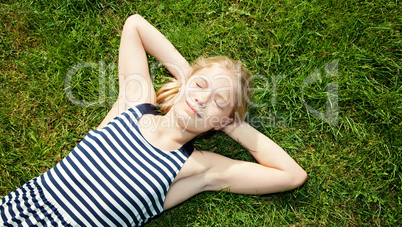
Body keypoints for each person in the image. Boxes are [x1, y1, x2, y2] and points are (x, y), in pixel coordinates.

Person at [0, 14, 307, 226]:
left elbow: (291, 175)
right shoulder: (133, 106)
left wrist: (231, 122)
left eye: (219, 103)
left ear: (220, 124)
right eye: (201, 87)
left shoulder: (200, 167)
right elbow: (135, 26)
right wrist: (189, 78)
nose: (203, 99)